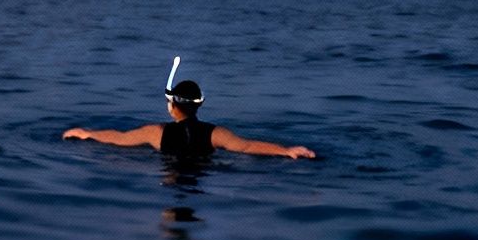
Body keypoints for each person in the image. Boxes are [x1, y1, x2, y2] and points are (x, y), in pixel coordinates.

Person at [63, 74, 315, 160]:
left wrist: (86, 133)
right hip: (203, 178)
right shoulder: (216, 133)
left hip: (169, 179)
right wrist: (285, 151)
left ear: (172, 106)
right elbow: (247, 146)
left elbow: (118, 138)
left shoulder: (156, 133)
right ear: (199, 105)